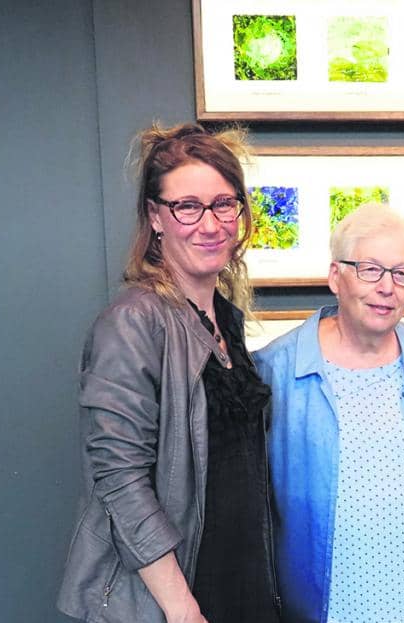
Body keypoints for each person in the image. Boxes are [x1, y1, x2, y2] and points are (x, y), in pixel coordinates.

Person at [57, 123, 280, 623]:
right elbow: (118, 480)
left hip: (239, 583)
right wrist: (182, 609)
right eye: (187, 206)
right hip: (170, 600)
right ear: (155, 217)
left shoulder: (225, 320)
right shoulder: (132, 323)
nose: (210, 223)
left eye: (225, 203)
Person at [254, 203, 404, 623]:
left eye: (402, 274)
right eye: (369, 269)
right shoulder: (275, 369)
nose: (387, 287)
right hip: (317, 610)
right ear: (334, 277)